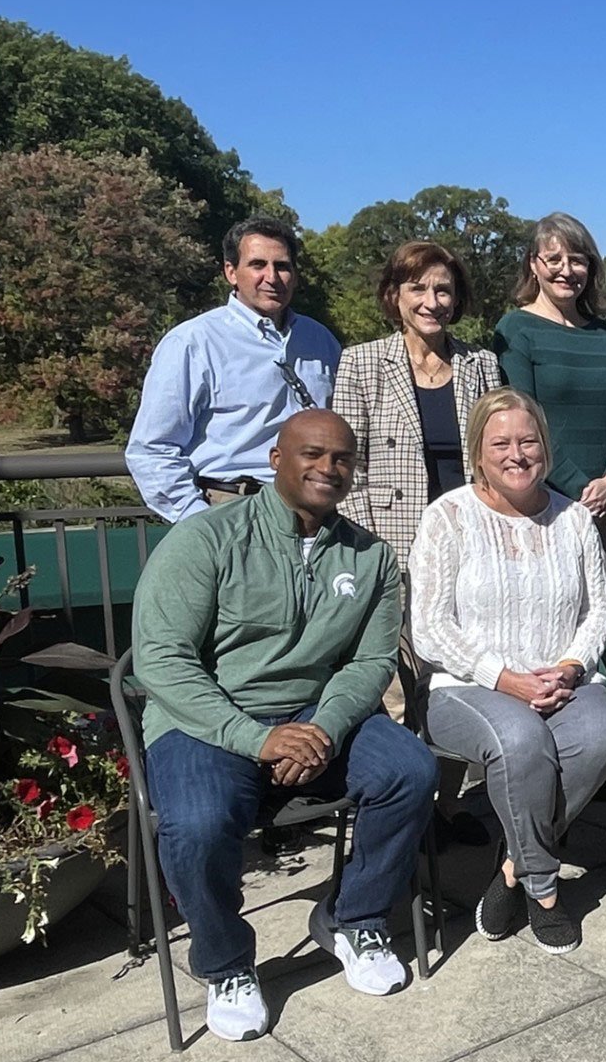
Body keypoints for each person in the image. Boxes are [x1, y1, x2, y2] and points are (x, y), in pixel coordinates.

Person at [131, 409, 436, 1042]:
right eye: (312, 454)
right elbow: (162, 660)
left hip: (314, 712)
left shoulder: (371, 557)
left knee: (410, 770)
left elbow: (369, 661)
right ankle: (226, 963)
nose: (328, 467)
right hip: (208, 716)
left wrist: (321, 729)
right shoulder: (206, 539)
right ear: (276, 459)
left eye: (343, 458)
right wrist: (255, 737)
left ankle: (354, 918)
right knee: (196, 823)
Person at [411, 389, 606, 954]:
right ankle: (546, 891)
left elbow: (598, 608)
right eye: (500, 442)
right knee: (522, 741)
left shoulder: (574, 518)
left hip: (563, 678)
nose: (517, 453)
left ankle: (511, 869)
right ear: (478, 452)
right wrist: (506, 678)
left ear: (545, 449)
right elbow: (429, 627)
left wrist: (572, 665)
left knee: (600, 736)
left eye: (528, 441)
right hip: (467, 686)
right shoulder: (447, 517)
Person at [127, 217, 342, 522]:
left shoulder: (321, 340)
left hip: (316, 513)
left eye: (282, 266)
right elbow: (151, 449)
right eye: (258, 265)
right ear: (231, 272)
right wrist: (200, 523)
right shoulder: (193, 343)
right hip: (231, 510)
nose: (272, 277)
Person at [330, 241, 503, 570]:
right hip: (389, 543)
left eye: (442, 290)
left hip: (470, 540)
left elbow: (495, 459)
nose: (432, 302)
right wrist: (368, 550)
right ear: (395, 295)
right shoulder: (361, 363)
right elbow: (348, 468)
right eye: (418, 289)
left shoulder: (482, 364)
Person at [492, 212, 606, 517]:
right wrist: (579, 489)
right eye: (554, 259)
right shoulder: (516, 330)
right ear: (533, 264)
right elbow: (525, 420)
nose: (567, 270)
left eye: (577, 260)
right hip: (544, 503)